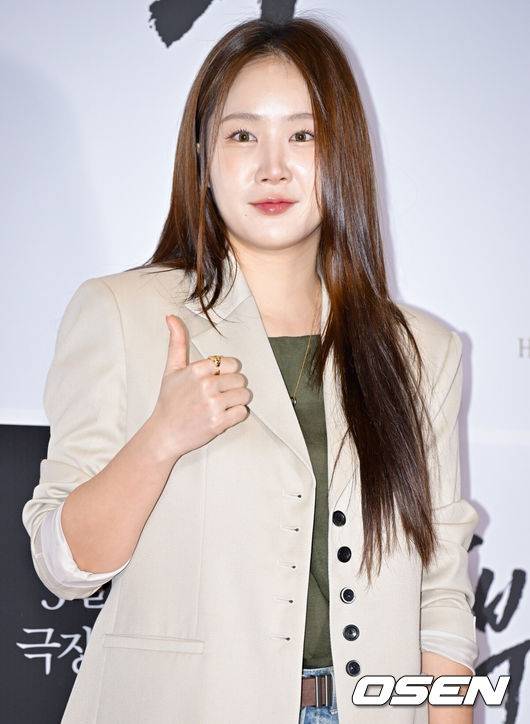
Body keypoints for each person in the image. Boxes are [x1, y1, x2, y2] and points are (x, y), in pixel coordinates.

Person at [21, 16, 479, 724]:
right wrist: (161, 438)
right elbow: (63, 565)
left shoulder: (421, 350)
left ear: (344, 154)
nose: (272, 167)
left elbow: (441, 594)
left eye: (304, 135)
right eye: (242, 135)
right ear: (203, 155)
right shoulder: (122, 312)